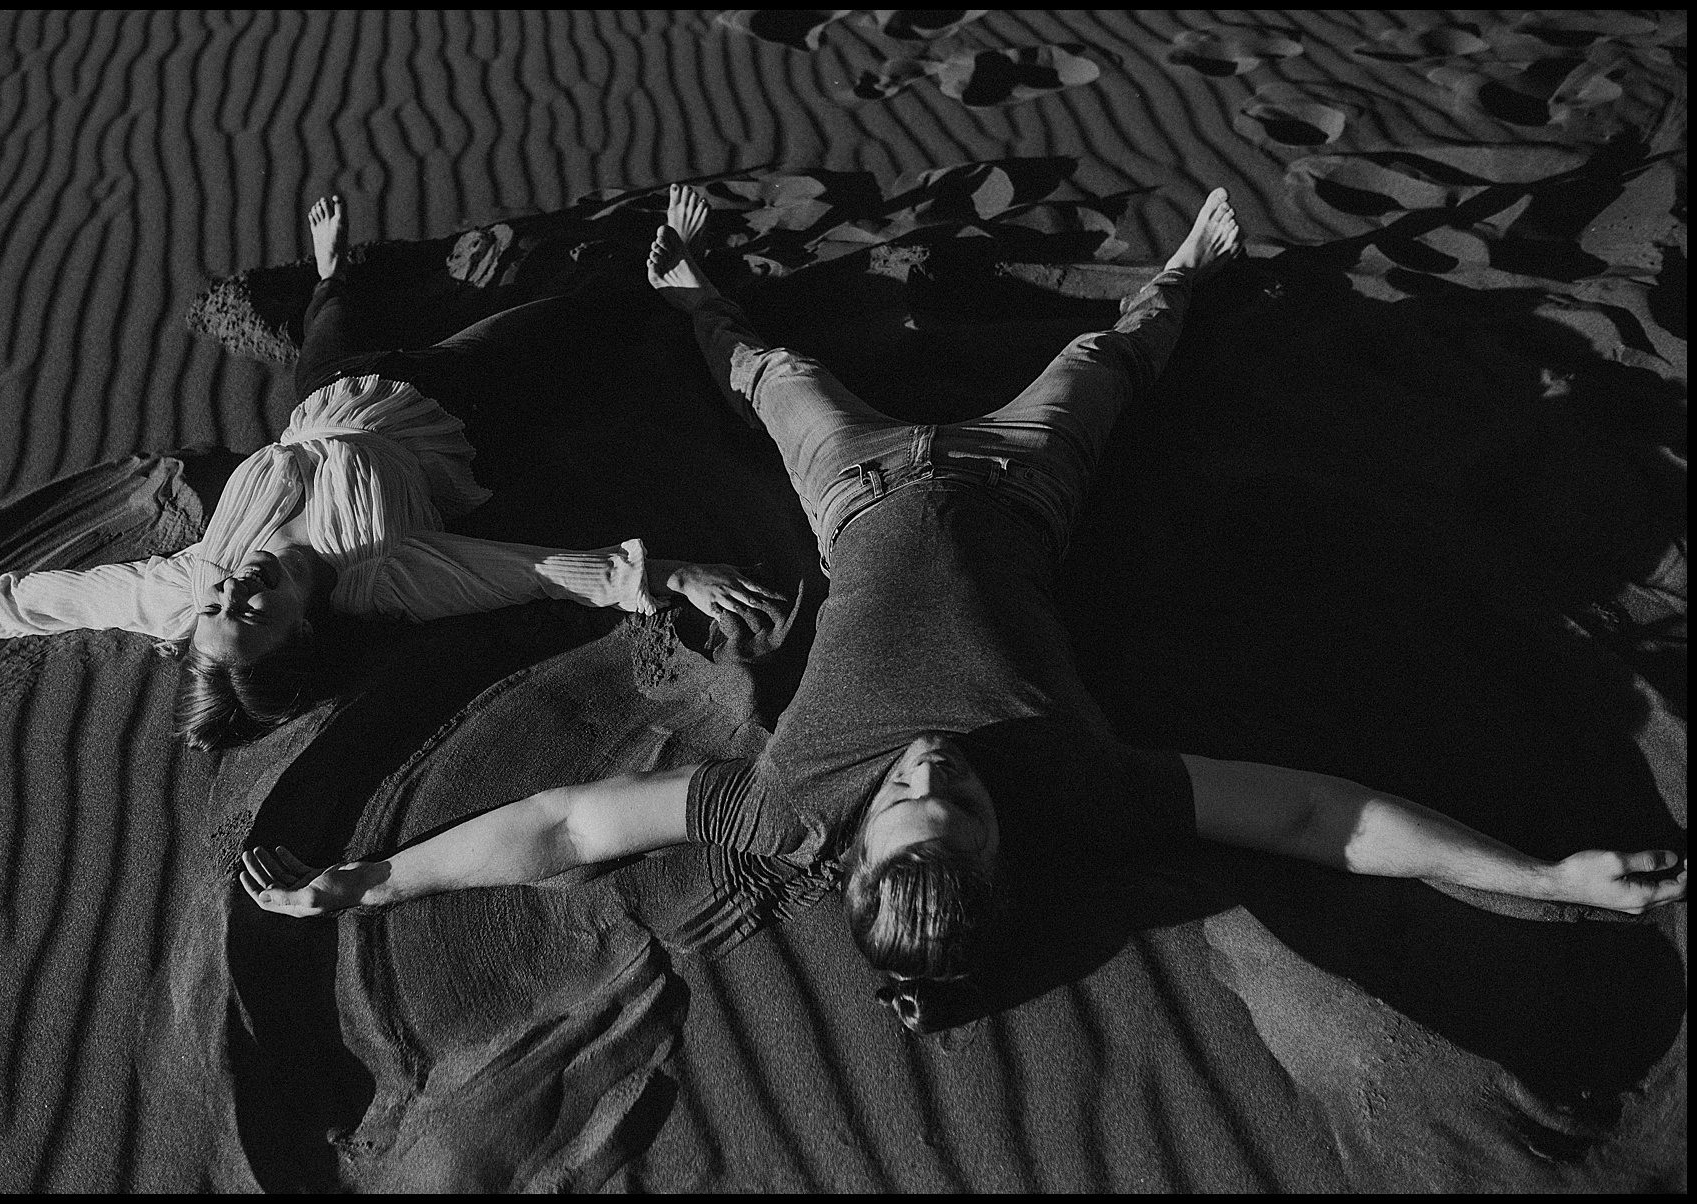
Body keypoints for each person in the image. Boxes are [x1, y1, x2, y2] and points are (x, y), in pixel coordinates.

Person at [237, 185, 1687, 1030]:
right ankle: (1194, 267)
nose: (933, 776)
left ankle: (690, 287)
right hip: (1017, 485)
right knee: (1117, 362)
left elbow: (557, 828)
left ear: (853, 856)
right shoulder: (1086, 791)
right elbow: (1325, 819)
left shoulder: (790, 806)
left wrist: (374, 879)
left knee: (760, 373)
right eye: (964, 812)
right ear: (1008, 855)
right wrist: (1546, 878)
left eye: (907, 809)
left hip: (853, 490)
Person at [0, 194, 784, 750]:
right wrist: (669, 575)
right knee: (577, 320)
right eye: (253, 613)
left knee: (330, 322)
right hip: (453, 397)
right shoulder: (389, 576)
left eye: (216, 608)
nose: (232, 592)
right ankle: (676, 277)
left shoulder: (187, 588)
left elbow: (81, 597)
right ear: (304, 631)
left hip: (325, 397)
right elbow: (538, 573)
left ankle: (331, 273)